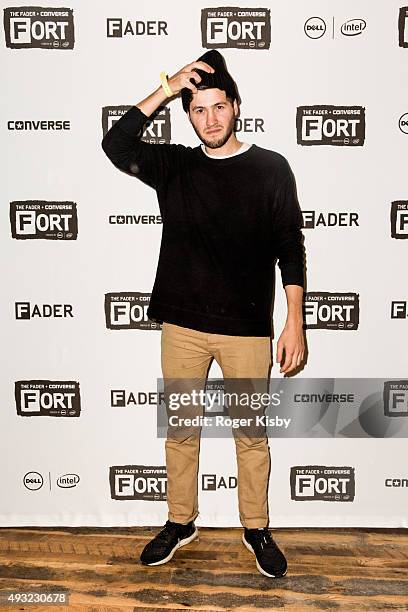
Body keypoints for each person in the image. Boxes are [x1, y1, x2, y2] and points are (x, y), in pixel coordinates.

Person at [101, 49, 306, 578]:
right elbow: (115, 144)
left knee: (250, 435)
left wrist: (295, 320)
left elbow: (290, 243)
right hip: (183, 325)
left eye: (218, 107)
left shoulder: (271, 167)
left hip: (246, 330)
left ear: (236, 107)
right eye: (198, 110)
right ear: (188, 115)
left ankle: (256, 528)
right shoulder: (176, 166)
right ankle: (180, 521)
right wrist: (168, 87)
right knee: (181, 431)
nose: (210, 119)